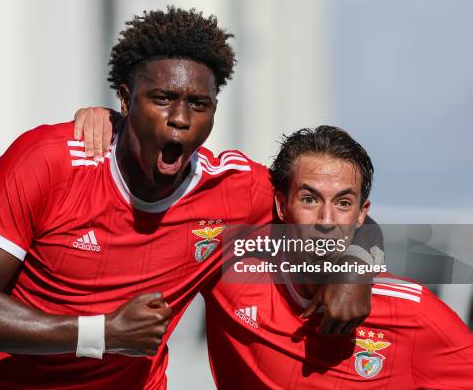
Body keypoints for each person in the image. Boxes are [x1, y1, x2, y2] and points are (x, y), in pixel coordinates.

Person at [0, 8, 376, 389]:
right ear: (125, 100)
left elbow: (333, 212)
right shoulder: (47, 162)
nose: (180, 118)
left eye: (198, 104)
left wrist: (355, 266)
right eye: (162, 99)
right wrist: (102, 333)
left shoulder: (236, 190)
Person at [202, 126, 473, 389]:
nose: (327, 220)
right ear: (282, 206)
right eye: (310, 199)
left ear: (361, 214)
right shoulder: (230, 278)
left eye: (343, 203)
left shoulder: (414, 313)